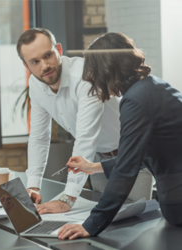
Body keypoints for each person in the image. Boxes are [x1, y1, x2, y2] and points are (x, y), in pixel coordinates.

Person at [58, 32, 182, 240]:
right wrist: (95, 167)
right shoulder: (153, 86)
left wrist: (92, 223)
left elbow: (127, 168)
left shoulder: (136, 99)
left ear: (106, 70)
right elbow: (147, 152)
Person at [16, 28, 153, 213]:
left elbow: (85, 138)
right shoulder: (36, 84)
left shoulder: (85, 75)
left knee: (136, 218)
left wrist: (67, 199)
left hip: (131, 155)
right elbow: (39, 136)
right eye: (35, 61)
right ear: (26, 66)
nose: (44, 66)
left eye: (48, 55)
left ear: (59, 50)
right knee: (104, 223)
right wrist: (33, 185)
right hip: (95, 161)